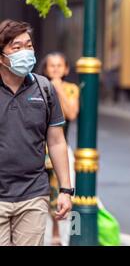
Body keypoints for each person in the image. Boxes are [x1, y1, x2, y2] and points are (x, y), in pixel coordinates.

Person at [0, 19, 73, 246]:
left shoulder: (44, 88)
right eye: (16, 47)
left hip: (33, 194)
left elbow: (57, 142)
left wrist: (65, 190)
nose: (25, 52)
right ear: (1, 57)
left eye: (28, 45)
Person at [38, 52, 79, 245]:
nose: (55, 69)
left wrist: (58, 89)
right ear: (45, 69)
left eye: (59, 65)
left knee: (64, 196)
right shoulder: (37, 87)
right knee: (42, 198)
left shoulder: (71, 89)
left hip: (60, 150)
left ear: (66, 69)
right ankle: (45, 238)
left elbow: (71, 113)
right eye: (51, 66)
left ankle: (62, 238)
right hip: (39, 150)